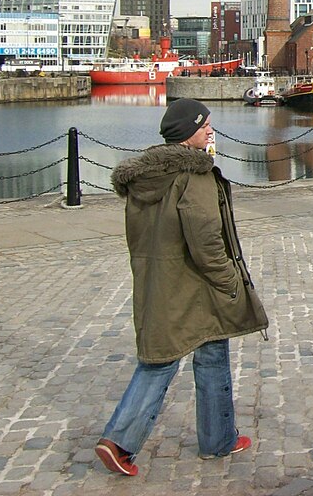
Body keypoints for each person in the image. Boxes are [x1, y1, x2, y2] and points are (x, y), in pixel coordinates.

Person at [95, 99, 269, 477]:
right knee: (165, 361)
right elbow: (207, 241)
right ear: (187, 131)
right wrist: (230, 282)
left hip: (161, 282)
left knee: (204, 352)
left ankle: (219, 438)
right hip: (196, 286)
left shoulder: (147, 178)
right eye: (205, 124)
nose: (211, 130)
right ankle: (120, 440)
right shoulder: (194, 177)